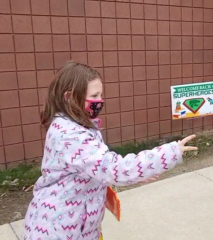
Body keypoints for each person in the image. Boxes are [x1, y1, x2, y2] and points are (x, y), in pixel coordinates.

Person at [23, 61, 198, 240]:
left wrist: (138, 175)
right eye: (94, 95)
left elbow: (95, 170)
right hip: (59, 230)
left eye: (100, 95)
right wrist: (169, 152)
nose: (99, 101)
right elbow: (114, 169)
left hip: (75, 225)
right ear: (69, 97)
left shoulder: (75, 126)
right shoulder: (70, 136)